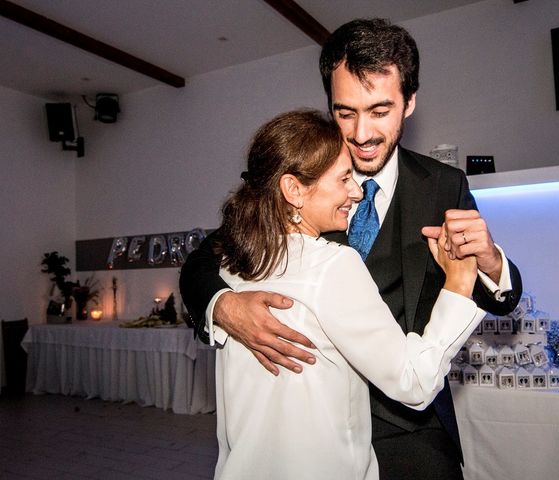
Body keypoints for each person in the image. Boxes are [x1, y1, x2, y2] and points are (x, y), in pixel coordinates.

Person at [180, 18, 523, 479]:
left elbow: (500, 295)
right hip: (311, 430)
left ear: (410, 103)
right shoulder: (294, 176)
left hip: (411, 428)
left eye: (380, 111)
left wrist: (490, 261)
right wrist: (222, 305)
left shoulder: (443, 185)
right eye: (345, 113)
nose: (361, 134)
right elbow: (204, 260)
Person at [210, 109, 485, 479]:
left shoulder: (232, 263)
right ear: (293, 189)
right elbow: (414, 381)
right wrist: (459, 282)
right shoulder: (331, 265)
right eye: (343, 179)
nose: (356, 192)